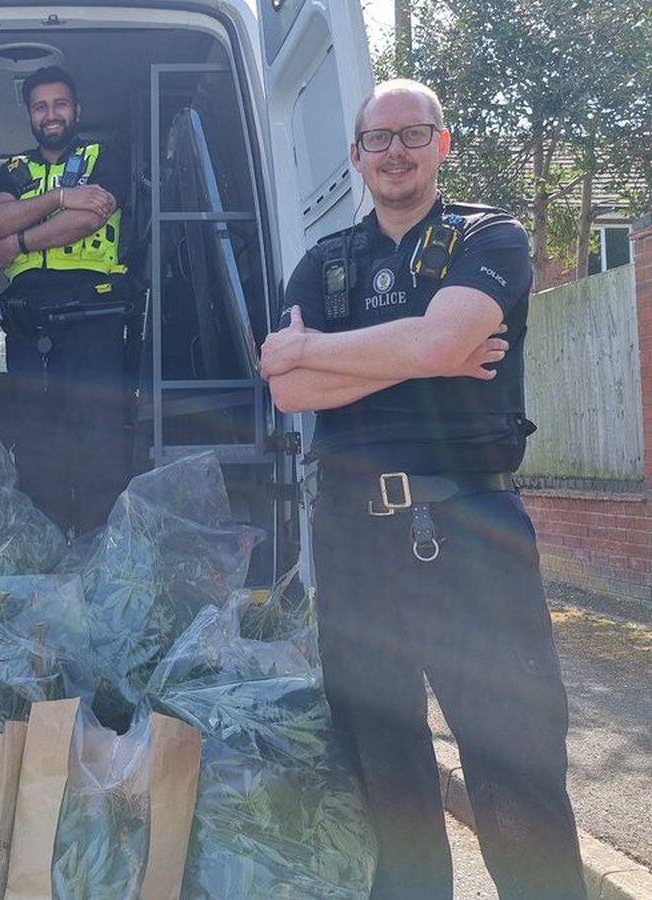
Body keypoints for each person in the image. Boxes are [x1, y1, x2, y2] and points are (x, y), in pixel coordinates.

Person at [261, 80, 587, 899]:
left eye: (414, 134)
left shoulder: (489, 236)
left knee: (516, 759)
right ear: (357, 158)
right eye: (379, 139)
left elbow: (443, 338)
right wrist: (423, 353)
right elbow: (288, 391)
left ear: (442, 144)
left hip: (472, 526)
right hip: (354, 539)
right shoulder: (324, 264)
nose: (396, 151)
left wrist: (332, 354)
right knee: (383, 767)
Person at [0, 65, 130, 535]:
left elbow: (89, 220)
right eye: (41, 106)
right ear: (30, 114)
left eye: (60, 104)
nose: (52, 114)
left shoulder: (105, 155)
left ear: (77, 110)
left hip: (95, 321)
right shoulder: (12, 169)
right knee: (36, 445)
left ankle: (95, 555)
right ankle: (45, 561)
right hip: (29, 327)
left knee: (99, 441)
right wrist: (62, 197)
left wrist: (21, 242)